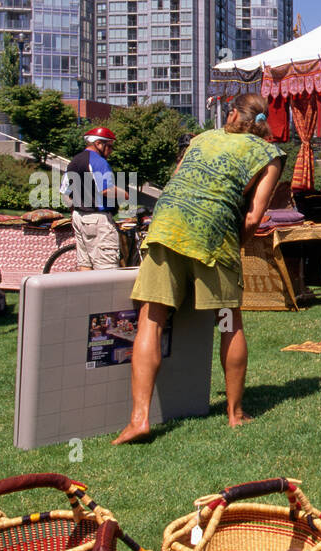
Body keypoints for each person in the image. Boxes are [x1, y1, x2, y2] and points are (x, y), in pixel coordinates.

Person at [113, 93, 284, 444]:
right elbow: (253, 216)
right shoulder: (270, 155)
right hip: (212, 233)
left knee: (152, 316)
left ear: (233, 114)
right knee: (227, 319)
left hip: (167, 225)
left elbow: (177, 183)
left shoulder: (201, 138)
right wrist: (234, 241)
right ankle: (235, 414)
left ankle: (139, 418)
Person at [63, 126, 132, 270]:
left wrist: (75, 212)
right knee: (106, 269)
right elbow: (106, 190)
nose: (111, 151)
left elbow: (65, 192)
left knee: (85, 265)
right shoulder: (98, 161)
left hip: (78, 216)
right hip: (97, 218)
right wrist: (125, 194)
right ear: (99, 143)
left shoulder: (74, 161)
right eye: (110, 146)